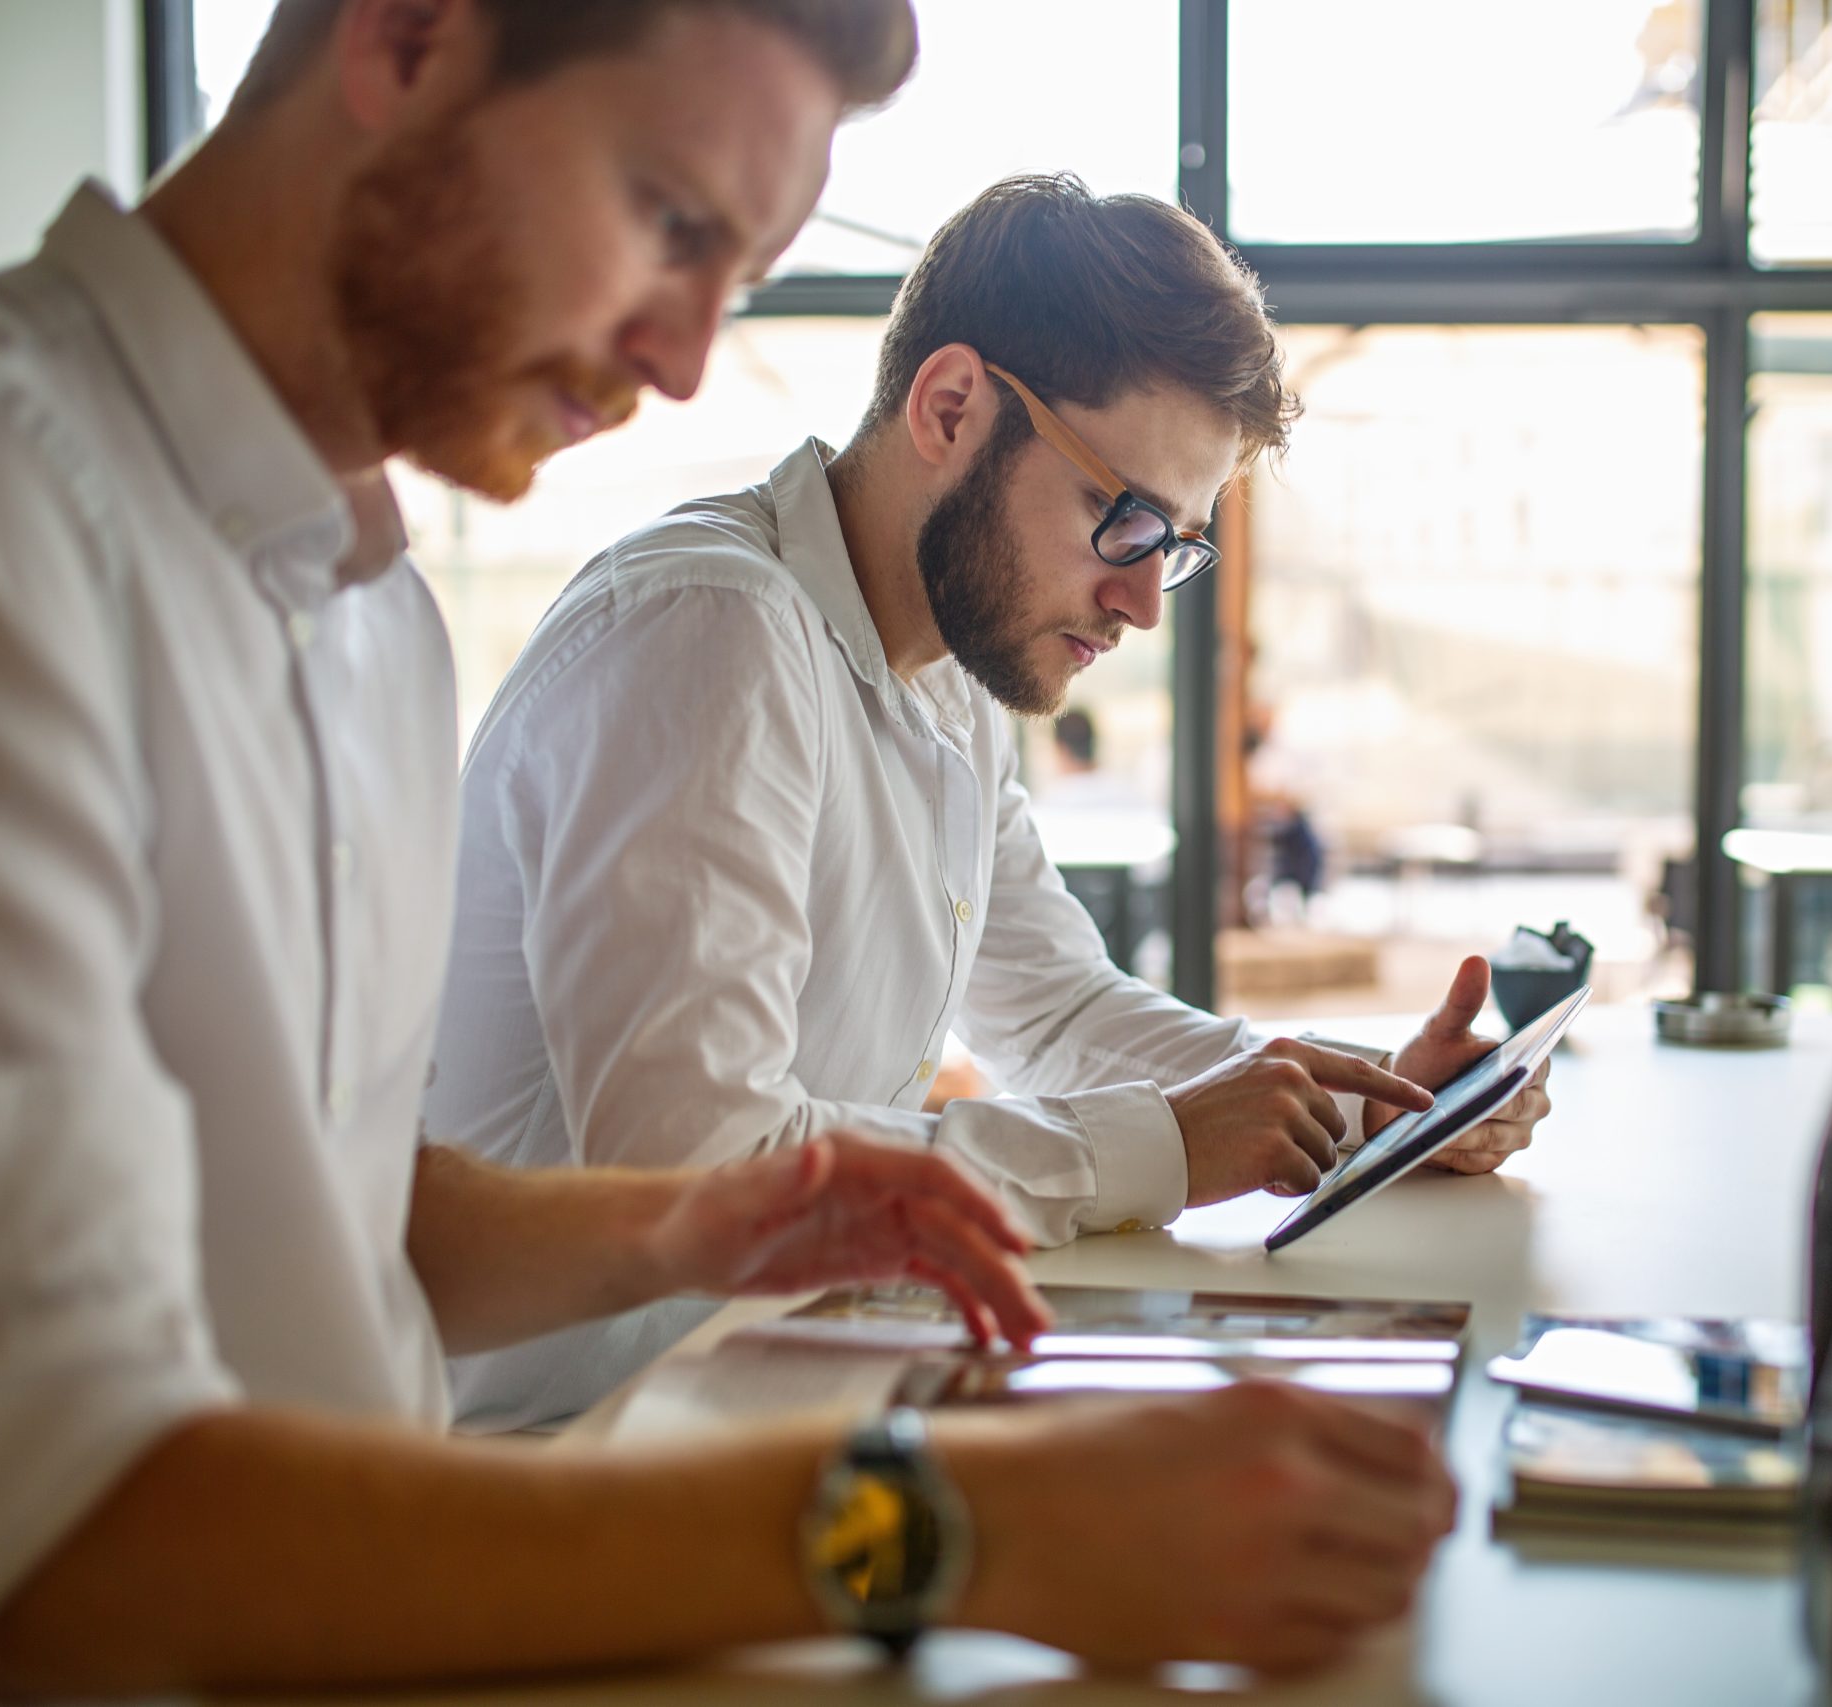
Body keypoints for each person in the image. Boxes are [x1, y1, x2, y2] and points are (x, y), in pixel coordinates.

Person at [0, 2, 1453, 1695]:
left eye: (746, 268)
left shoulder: (373, 611)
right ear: (411, 39)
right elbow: (49, 1527)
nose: (687, 361)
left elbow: (326, 1222)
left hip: (414, 1586)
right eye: (671, 219)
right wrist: (953, 1521)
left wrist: (720, 1223)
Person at [427, 174, 1557, 1430]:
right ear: (951, 405)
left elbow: (1055, 1007)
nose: (1142, 603)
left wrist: (1365, 1102)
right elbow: (697, 1164)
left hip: (743, 1382)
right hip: (538, 1447)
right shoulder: (712, 633)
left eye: (1173, 544)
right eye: (1123, 520)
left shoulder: (951, 678)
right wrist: (1155, 1149)